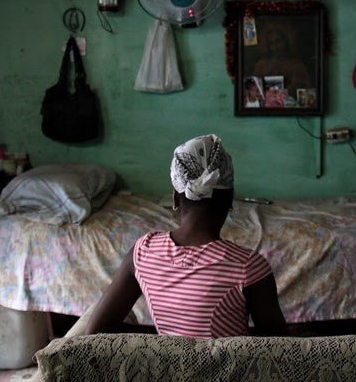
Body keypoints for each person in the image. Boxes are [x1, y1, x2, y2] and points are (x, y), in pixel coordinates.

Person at [85, 134, 288, 338]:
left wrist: (159, 343)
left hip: (166, 368)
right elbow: (278, 348)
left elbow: (95, 331)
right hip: (226, 370)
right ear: (229, 199)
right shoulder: (248, 266)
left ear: (175, 197)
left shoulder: (142, 253)